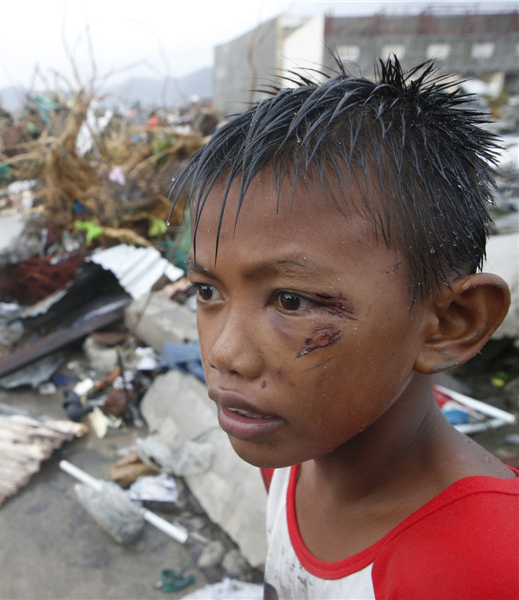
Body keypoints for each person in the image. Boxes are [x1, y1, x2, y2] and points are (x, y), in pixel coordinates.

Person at [170, 58, 518, 598]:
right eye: (207, 291)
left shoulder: (485, 566)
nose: (225, 354)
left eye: (292, 301)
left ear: (450, 323)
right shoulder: (292, 457)